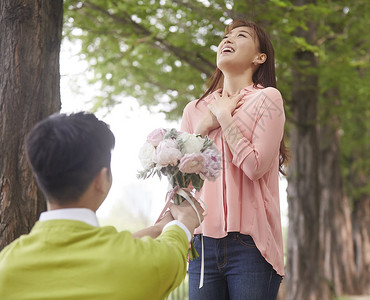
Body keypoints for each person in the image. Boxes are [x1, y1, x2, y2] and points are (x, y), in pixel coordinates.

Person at [0, 112, 204, 299]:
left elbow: (88, 249)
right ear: (101, 179)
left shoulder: (6, 265)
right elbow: (171, 255)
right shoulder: (137, 263)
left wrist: (157, 229)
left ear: (40, 179)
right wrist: (184, 222)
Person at [181, 20, 288, 299]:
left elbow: (254, 166)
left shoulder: (268, 99)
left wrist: (225, 118)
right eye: (226, 36)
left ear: (259, 57)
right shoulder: (194, 110)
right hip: (202, 246)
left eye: (240, 36)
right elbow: (180, 181)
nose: (227, 40)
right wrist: (203, 127)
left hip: (251, 246)